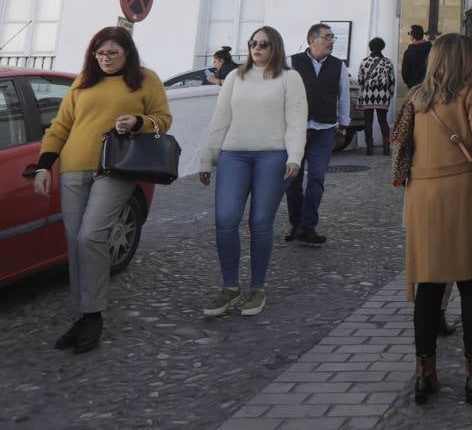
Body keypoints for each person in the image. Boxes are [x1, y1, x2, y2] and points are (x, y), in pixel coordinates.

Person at [31, 26, 172, 354]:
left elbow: (162, 119)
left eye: (112, 53)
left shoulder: (145, 79)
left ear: (127, 53)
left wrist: (138, 122)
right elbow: (61, 125)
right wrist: (43, 165)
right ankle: (83, 316)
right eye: (100, 53)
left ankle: (93, 316)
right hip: (73, 167)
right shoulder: (83, 81)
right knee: (74, 241)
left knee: (91, 236)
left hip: (117, 167)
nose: (105, 59)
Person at [403, 34, 472, 406]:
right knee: (471, 283)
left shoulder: (417, 97)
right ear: (464, 58)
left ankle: (425, 374)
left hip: (423, 195)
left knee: (429, 285)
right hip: (464, 193)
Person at [197, 26, 305, 317]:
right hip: (234, 154)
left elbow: (296, 120)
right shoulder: (235, 76)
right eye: (253, 43)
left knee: (260, 221)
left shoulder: (289, 78)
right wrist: (207, 157)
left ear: (275, 48)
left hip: (272, 155)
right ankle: (230, 287)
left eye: (264, 44)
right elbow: (221, 117)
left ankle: (258, 287)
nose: (257, 48)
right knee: (226, 219)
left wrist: (295, 156)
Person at [285, 23, 349, 247]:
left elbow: (344, 96)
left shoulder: (337, 66)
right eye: (327, 37)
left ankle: (308, 225)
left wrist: (343, 126)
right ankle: (297, 223)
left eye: (332, 37)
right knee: (292, 179)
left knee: (317, 177)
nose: (331, 41)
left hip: (324, 129)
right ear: (312, 40)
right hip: (296, 129)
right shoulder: (291, 63)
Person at [357, 37, 396, 156]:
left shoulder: (364, 61)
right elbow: (392, 80)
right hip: (382, 95)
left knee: (368, 121)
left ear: (371, 47)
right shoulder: (387, 62)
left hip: (368, 94)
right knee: (383, 120)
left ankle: (369, 148)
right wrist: (390, 94)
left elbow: (360, 79)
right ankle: (386, 148)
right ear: (382, 47)